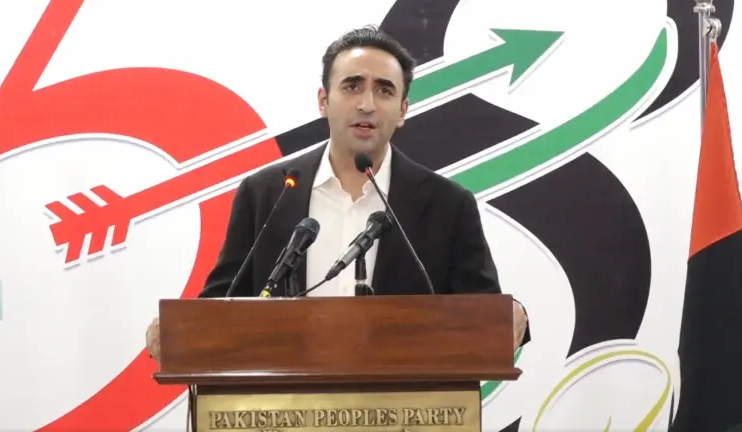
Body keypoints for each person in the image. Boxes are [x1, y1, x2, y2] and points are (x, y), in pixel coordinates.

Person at [146, 25, 529, 361]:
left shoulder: (447, 205)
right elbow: (222, 303)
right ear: (323, 101)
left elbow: (483, 315)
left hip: (405, 407)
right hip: (284, 407)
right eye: (352, 86)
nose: (367, 104)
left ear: (402, 111)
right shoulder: (265, 194)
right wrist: (181, 329)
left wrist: (514, 316)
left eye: (384, 90)